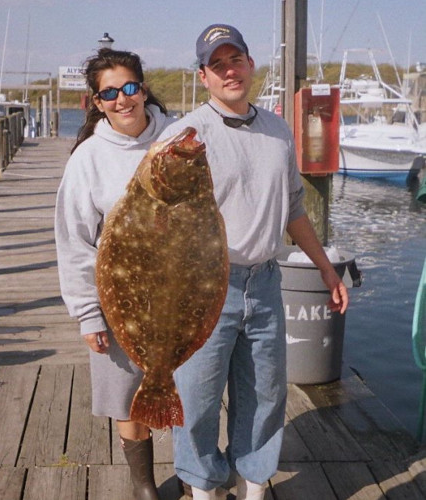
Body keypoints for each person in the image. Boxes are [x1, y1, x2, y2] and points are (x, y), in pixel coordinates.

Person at [158, 24, 349, 500]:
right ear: (203, 76)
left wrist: (326, 269)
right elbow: (157, 216)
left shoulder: (278, 130)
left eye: (235, 60)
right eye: (217, 64)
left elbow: (293, 210)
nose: (229, 71)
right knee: (197, 397)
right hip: (204, 286)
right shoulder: (183, 133)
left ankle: (254, 485)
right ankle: (203, 488)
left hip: (265, 282)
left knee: (265, 395)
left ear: (250, 64)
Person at [54, 48, 175, 500]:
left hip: (178, 292)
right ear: (97, 102)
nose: (122, 99)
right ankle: (143, 483)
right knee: (126, 390)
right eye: (110, 93)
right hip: (118, 296)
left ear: (143, 89)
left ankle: (190, 470)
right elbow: (73, 240)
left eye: (129, 88)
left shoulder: (178, 138)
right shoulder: (87, 158)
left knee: (183, 385)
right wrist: (88, 312)